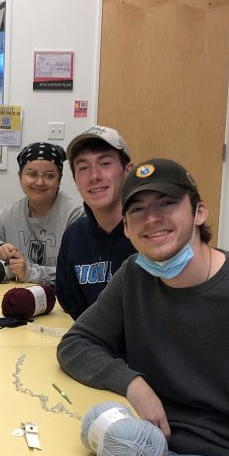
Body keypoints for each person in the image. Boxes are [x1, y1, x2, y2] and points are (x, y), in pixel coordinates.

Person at [57, 158, 229, 456]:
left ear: (198, 211)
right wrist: (133, 383)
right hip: (155, 446)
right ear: (127, 229)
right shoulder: (135, 274)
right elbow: (77, 343)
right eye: (137, 210)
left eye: (166, 204)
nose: (152, 219)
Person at [0, 142, 83, 284]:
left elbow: (82, 272)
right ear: (20, 176)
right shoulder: (9, 215)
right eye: (31, 174)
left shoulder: (76, 215)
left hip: (63, 302)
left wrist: (29, 273)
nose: (39, 182)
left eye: (49, 176)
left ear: (60, 179)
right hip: (14, 298)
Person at [55, 126, 136, 318]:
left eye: (105, 163)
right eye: (83, 168)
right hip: (92, 344)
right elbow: (73, 309)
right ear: (75, 180)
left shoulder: (149, 235)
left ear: (128, 171)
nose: (94, 176)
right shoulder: (74, 237)